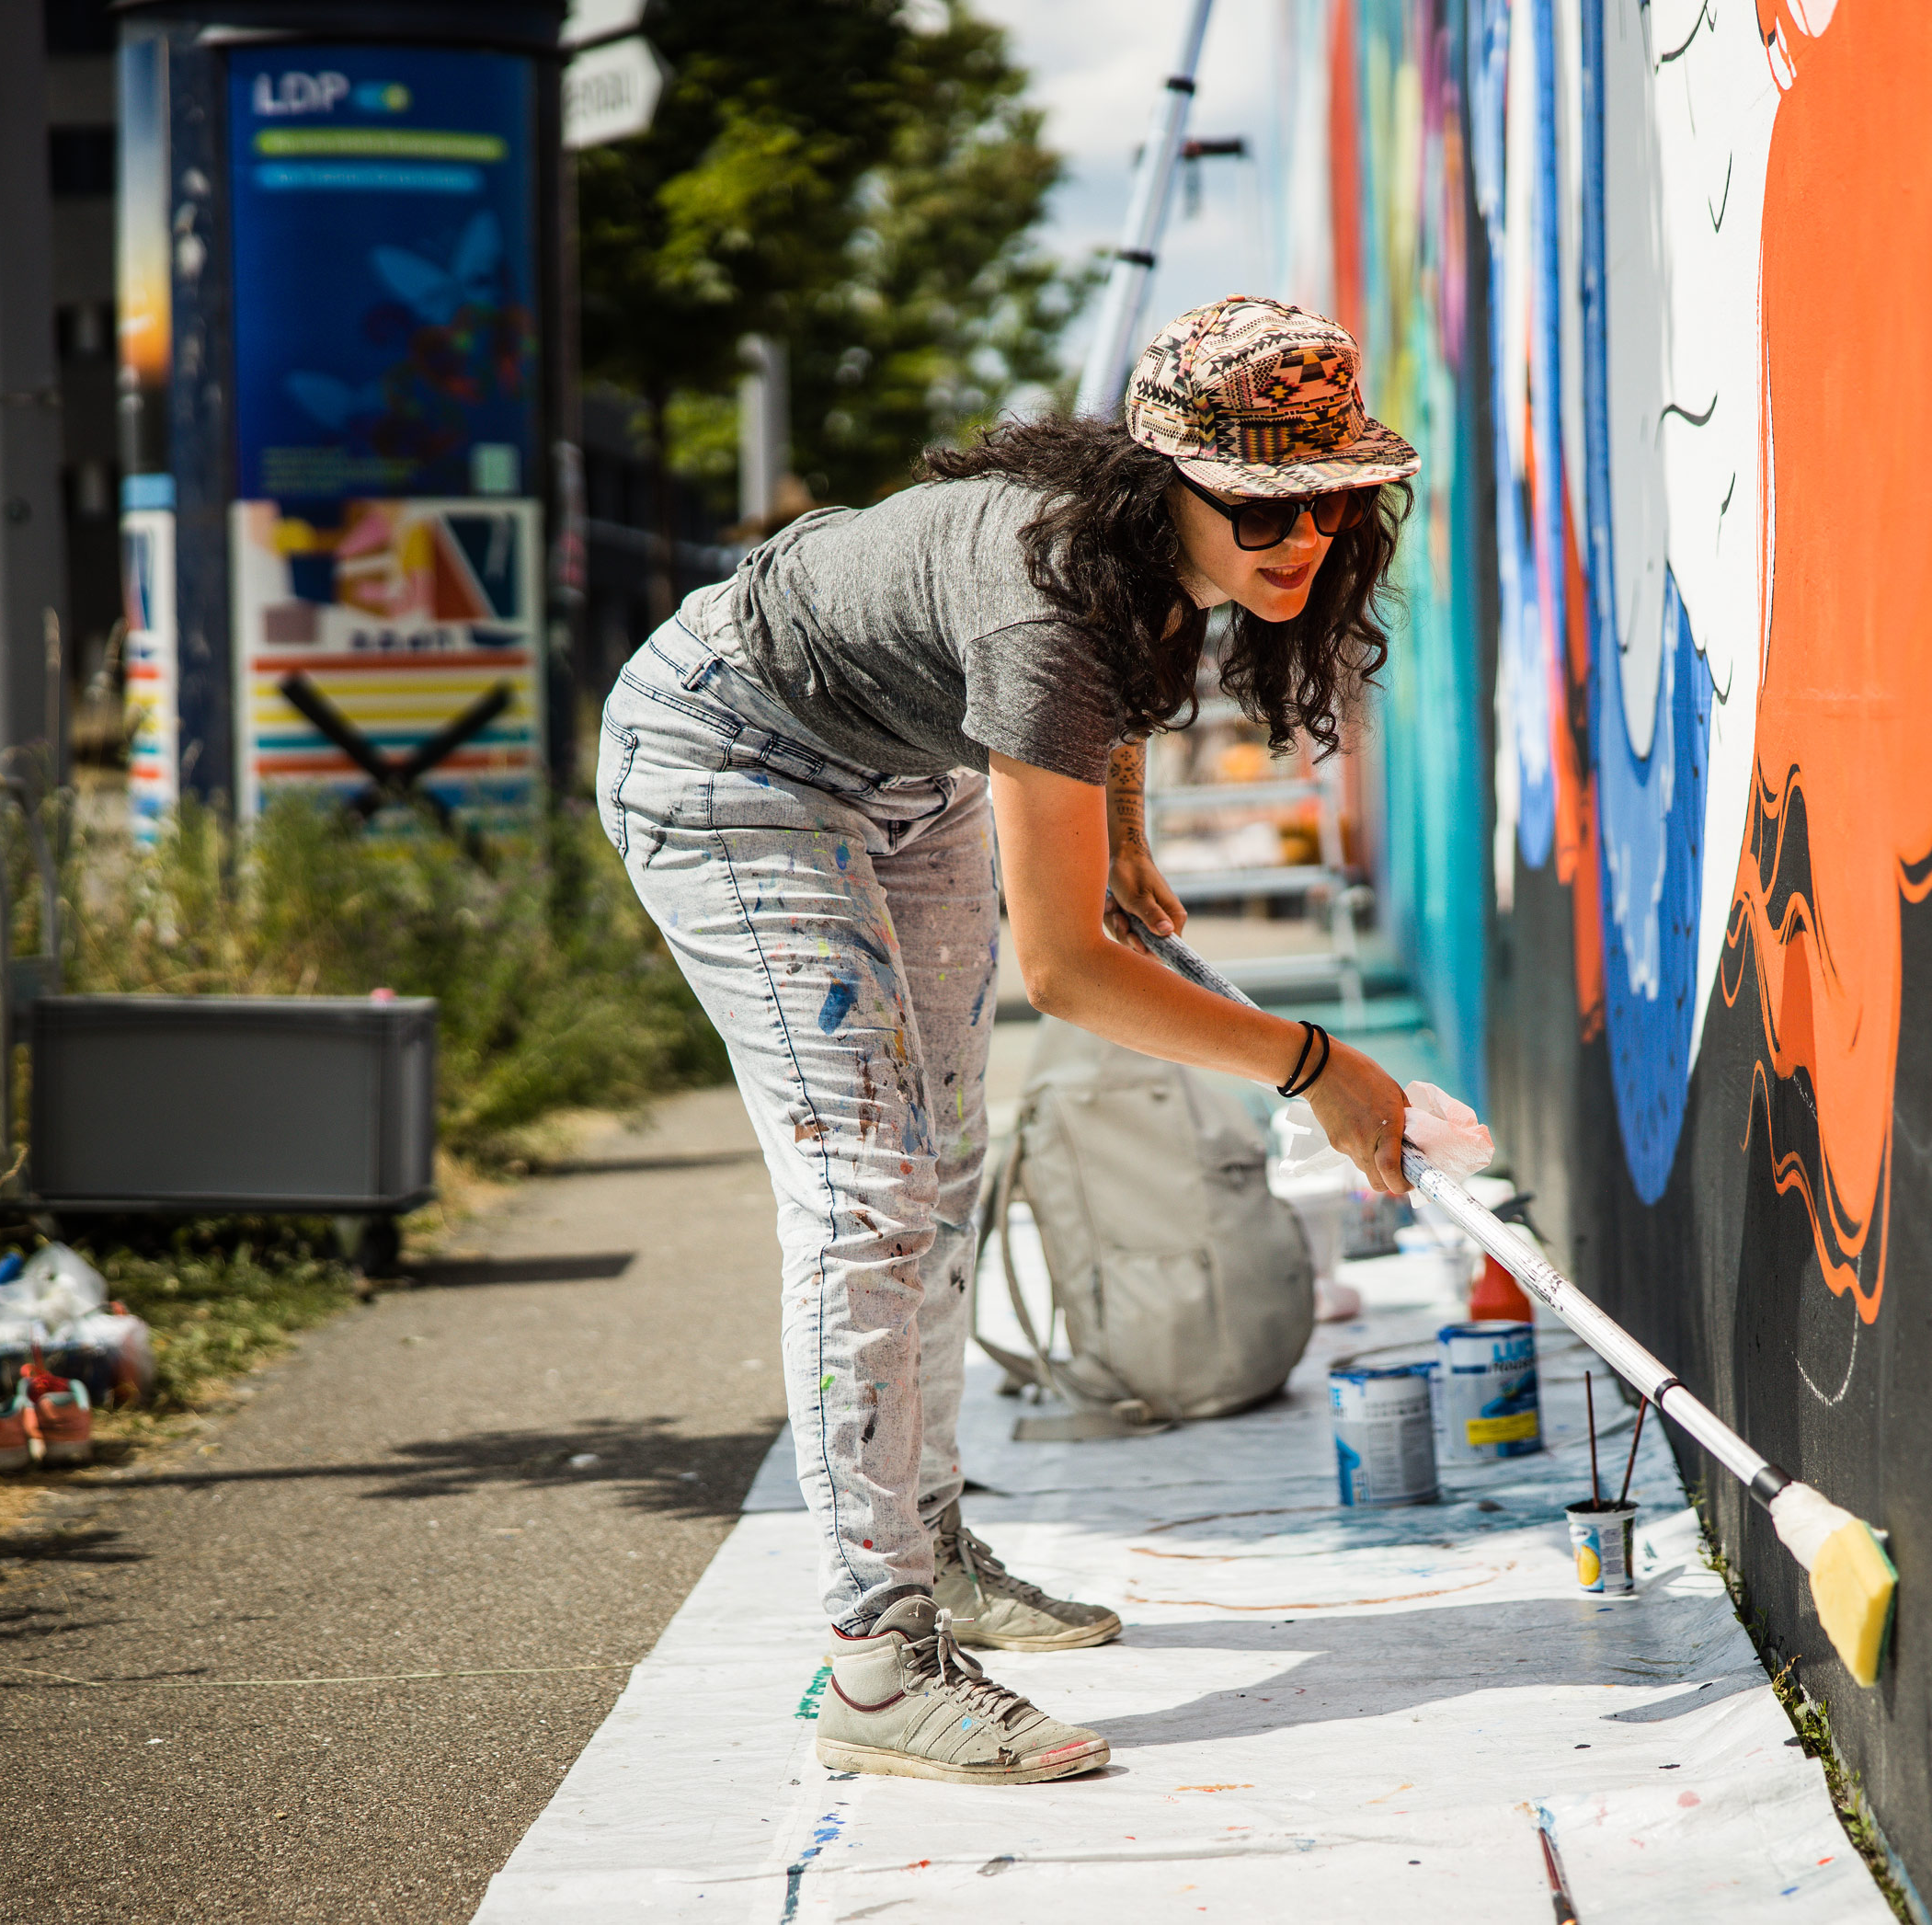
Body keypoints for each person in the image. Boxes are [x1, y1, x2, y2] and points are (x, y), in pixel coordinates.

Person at [596, 296, 1423, 1786]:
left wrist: (1117, 818)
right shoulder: (1052, 594)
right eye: (1255, 504)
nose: (1298, 537)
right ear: (1164, 478)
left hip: (900, 779)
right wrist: (1319, 1067)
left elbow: (1108, 692)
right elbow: (1075, 978)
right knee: (866, 1194)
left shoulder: (1143, 559)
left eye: (1330, 495)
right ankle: (876, 1659)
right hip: (731, 762)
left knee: (946, 1171)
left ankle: (934, 1550)